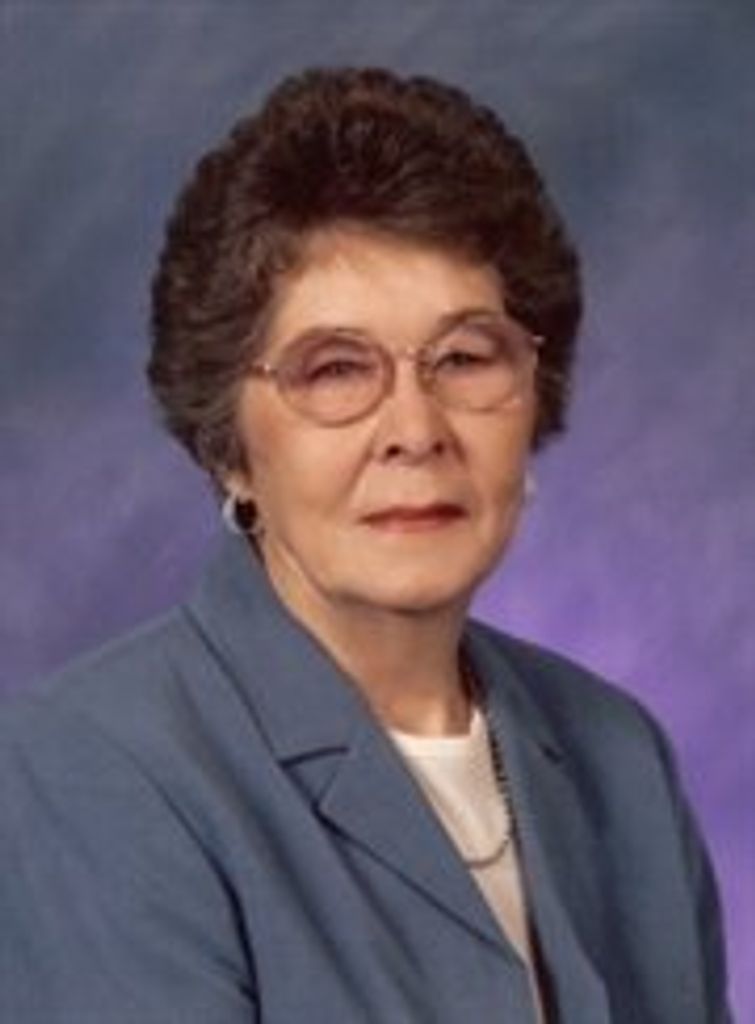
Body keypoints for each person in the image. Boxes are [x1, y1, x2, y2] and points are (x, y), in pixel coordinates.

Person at [0, 67, 731, 1023]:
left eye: (464, 358)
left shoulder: (616, 754)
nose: (415, 431)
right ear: (229, 448)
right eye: (335, 370)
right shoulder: (93, 768)